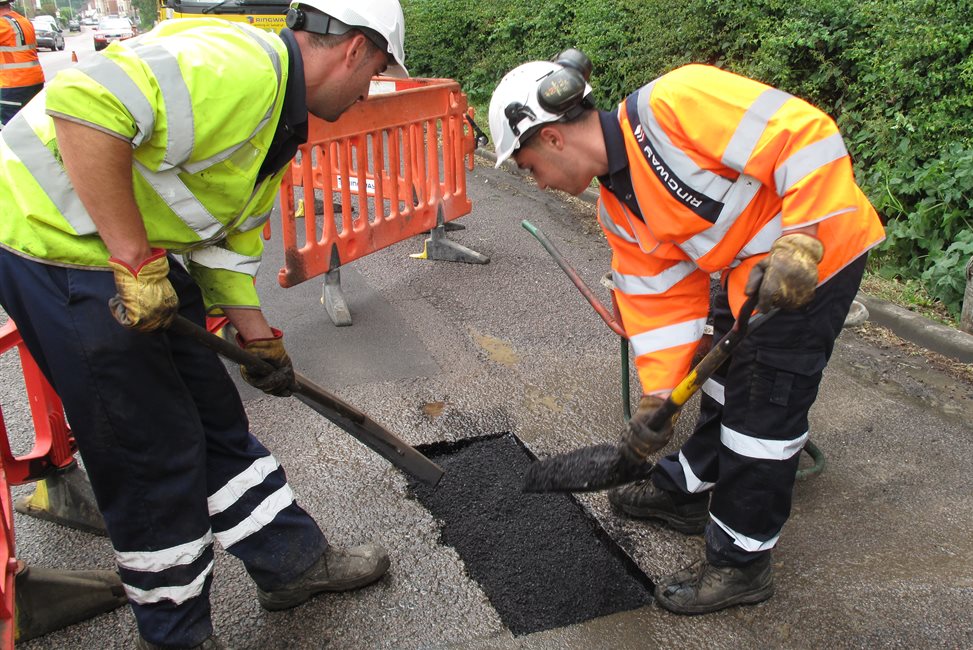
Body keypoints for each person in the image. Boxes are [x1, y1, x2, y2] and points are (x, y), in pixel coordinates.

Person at [0, 0, 407, 646]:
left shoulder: (280, 119)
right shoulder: (239, 68)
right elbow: (81, 105)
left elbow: (224, 249)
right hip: (57, 244)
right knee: (151, 453)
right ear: (354, 48)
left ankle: (290, 563)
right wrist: (133, 261)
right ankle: (177, 633)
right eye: (377, 71)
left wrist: (258, 339)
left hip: (130, 254)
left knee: (216, 417)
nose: (368, 92)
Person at [489, 52, 884, 615]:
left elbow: (806, 135)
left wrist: (803, 237)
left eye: (528, 167)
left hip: (819, 257)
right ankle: (688, 492)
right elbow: (660, 303)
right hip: (750, 275)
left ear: (551, 138)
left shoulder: (675, 103)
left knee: (760, 414)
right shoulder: (619, 208)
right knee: (723, 385)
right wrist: (658, 398)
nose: (538, 182)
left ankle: (741, 563)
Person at [0, 0, 44, 128]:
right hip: (34, 80)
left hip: (14, 83)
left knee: (10, 127)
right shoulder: (24, 21)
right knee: (31, 123)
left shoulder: (2, 24)